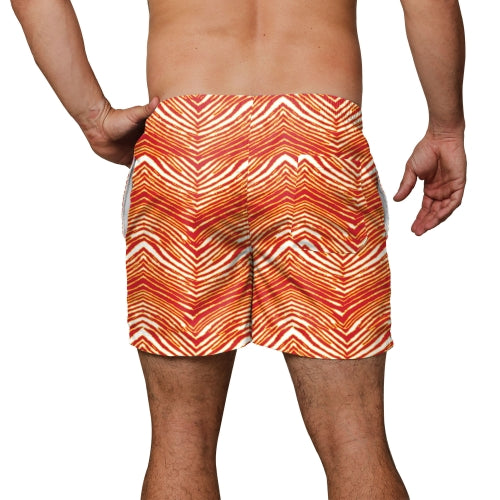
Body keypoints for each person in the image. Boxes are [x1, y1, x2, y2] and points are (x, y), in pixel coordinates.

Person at [11, 0, 466, 498]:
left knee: (180, 439)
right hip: (318, 141)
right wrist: (446, 128)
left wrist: (94, 117)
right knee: (354, 435)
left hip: (186, 146)